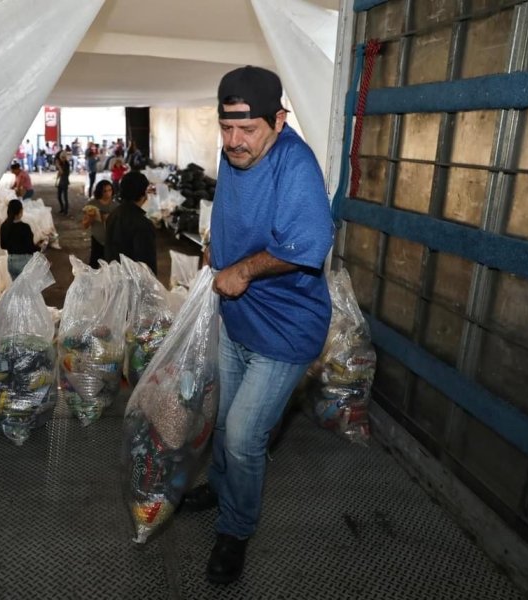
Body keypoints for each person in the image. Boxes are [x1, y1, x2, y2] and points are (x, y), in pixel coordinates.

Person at [183, 65, 334, 585]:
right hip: (237, 318)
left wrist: (243, 268)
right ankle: (222, 488)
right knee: (225, 421)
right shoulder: (235, 154)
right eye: (226, 128)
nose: (233, 142)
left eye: (247, 130)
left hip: (286, 328)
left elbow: (308, 247)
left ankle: (236, 530)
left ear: (279, 119)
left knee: (246, 436)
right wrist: (213, 247)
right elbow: (232, 212)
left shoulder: (296, 168)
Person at [103, 171, 156, 274]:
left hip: (115, 277)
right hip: (134, 285)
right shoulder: (143, 224)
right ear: (143, 193)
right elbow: (147, 267)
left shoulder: (114, 214)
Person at [0, 199, 42, 280]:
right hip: (24, 262)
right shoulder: (24, 227)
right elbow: (30, 248)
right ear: (20, 211)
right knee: (28, 290)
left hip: (11, 262)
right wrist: (40, 247)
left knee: (17, 289)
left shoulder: (4, 226)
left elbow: (3, 245)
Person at [81, 180, 116, 267]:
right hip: (97, 239)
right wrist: (91, 218)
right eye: (105, 191)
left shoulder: (116, 206)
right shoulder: (92, 204)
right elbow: (85, 225)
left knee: (111, 265)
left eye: (110, 190)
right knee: (94, 264)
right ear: (99, 191)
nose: (108, 193)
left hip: (112, 239)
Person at [55, 148, 71, 214]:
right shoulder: (62, 163)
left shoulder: (66, 164)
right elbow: (59, 173)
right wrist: (56, 180)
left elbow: (61, 172)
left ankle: (66, 210)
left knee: (65, 197)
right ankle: (62, 208)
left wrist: (58, 166)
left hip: (65, 181)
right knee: (59, 196)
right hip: (61, 181)